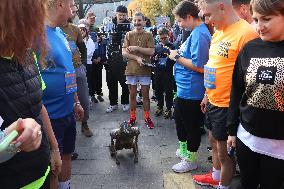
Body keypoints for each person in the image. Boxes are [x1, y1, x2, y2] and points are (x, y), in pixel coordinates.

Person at [192, 0, 258, 188]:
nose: (206, 21)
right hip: (213, 99)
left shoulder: (246, 33)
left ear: (222, 7)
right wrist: (206, 94)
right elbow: (215, 65)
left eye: (208, 15)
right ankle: (216, 175)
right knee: (213, 141)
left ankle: (224, 185)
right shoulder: (219, 31)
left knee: (224, 151)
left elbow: (249, 78)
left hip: (227, 105)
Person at [0, 0, 61, 188]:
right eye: (30, 19)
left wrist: (55, 148)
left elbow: (39, 106)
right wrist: (6, 140)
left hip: (40, 173)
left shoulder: (27, 55)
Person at [227, 0, 284, 188]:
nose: (259, 26)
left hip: (279, 146)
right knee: (247, 183)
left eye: (266, 19)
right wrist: (231, 131)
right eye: (256, 19)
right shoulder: (250, 49)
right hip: (247, 138)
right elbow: (237, 90)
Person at [42, 0, 84, 188]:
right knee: (53, 166)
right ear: (60, 4)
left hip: (68, 112)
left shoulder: (60, 32)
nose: (73, 10)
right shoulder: (35, 35)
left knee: (66, 155)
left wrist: (76, 101)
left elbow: (68, 70)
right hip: (49, 117)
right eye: (71, 5)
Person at [168, 0, 211, 173]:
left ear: (188, 17)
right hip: (184, 88)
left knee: (191, 126)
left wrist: (176, 57)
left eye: (179, 20)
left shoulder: (200, 34)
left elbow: (200, 66)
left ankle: (191, 158)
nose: (179, 24)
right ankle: (185, 151)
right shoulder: (195, 32)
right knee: (180, 120)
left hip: (192, 90)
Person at [61, 6, 93, 137]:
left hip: (78, 68)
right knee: (67, 101)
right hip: (62, 71)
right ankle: (69, 129)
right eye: (71, 11)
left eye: (74, 11)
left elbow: (82, 48)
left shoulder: (75, 29)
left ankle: (85, 124)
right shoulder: (54, 29)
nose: (73, 14)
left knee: (84, 99)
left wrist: (83, 64)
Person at [122, 12, 155, 129]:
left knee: (145, 95)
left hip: (145, 69)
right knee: (132, 95)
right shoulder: (129, 34)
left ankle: (147, 117)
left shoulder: (148, 35)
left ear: (144, 22)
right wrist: (137, 57)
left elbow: (151, 51)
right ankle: (132, 117)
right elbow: (124, 52)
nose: (137, 23)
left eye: (139, 20)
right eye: (135, 20)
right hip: (131, 69)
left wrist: (137, 48)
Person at [105, 5, 131, 113]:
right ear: (116, 13)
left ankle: (125, 102)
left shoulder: (130, 25)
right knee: (111, 81)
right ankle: (113, 103)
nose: (121, 17)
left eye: (123, 15)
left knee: (124, 81)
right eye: (119, 14)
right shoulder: (109, 23)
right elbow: (105, 37)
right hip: (110, 56)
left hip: (123, 57)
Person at [153, 27, 176, 119]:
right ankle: (160, 106)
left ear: (168, 36)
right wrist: (154, 59)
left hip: (168, 72)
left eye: (165, 38)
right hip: (158, 72)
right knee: (158, 90)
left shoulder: (172, 46)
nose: (163, 40)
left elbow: (175, 59)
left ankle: (169, 108)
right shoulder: (157, 47)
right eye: (161, 38)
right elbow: (153, 58)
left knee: (168, 91)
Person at [78, 24, 97, 105]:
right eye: (80, 29)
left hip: (87, 64)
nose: (82, 31)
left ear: (86, 31)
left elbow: (89, 53)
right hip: (78, 64)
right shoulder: (76, 40)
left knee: (87, 81)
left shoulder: (89, 40)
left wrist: (79, 55)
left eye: (83, 29)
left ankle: (88, 98)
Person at [92, 34, 107, 103]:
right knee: (92, 80)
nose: (98, 38)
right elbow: (88, 53)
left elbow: (104, 53)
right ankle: (92, 95)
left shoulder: (102, 44)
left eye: (99, 36)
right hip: (92, 65)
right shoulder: (91, 43)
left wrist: (100, 58)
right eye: (96, 36)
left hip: (99, 64)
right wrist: (93, 59)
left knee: (99, 79)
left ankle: (99, 94)